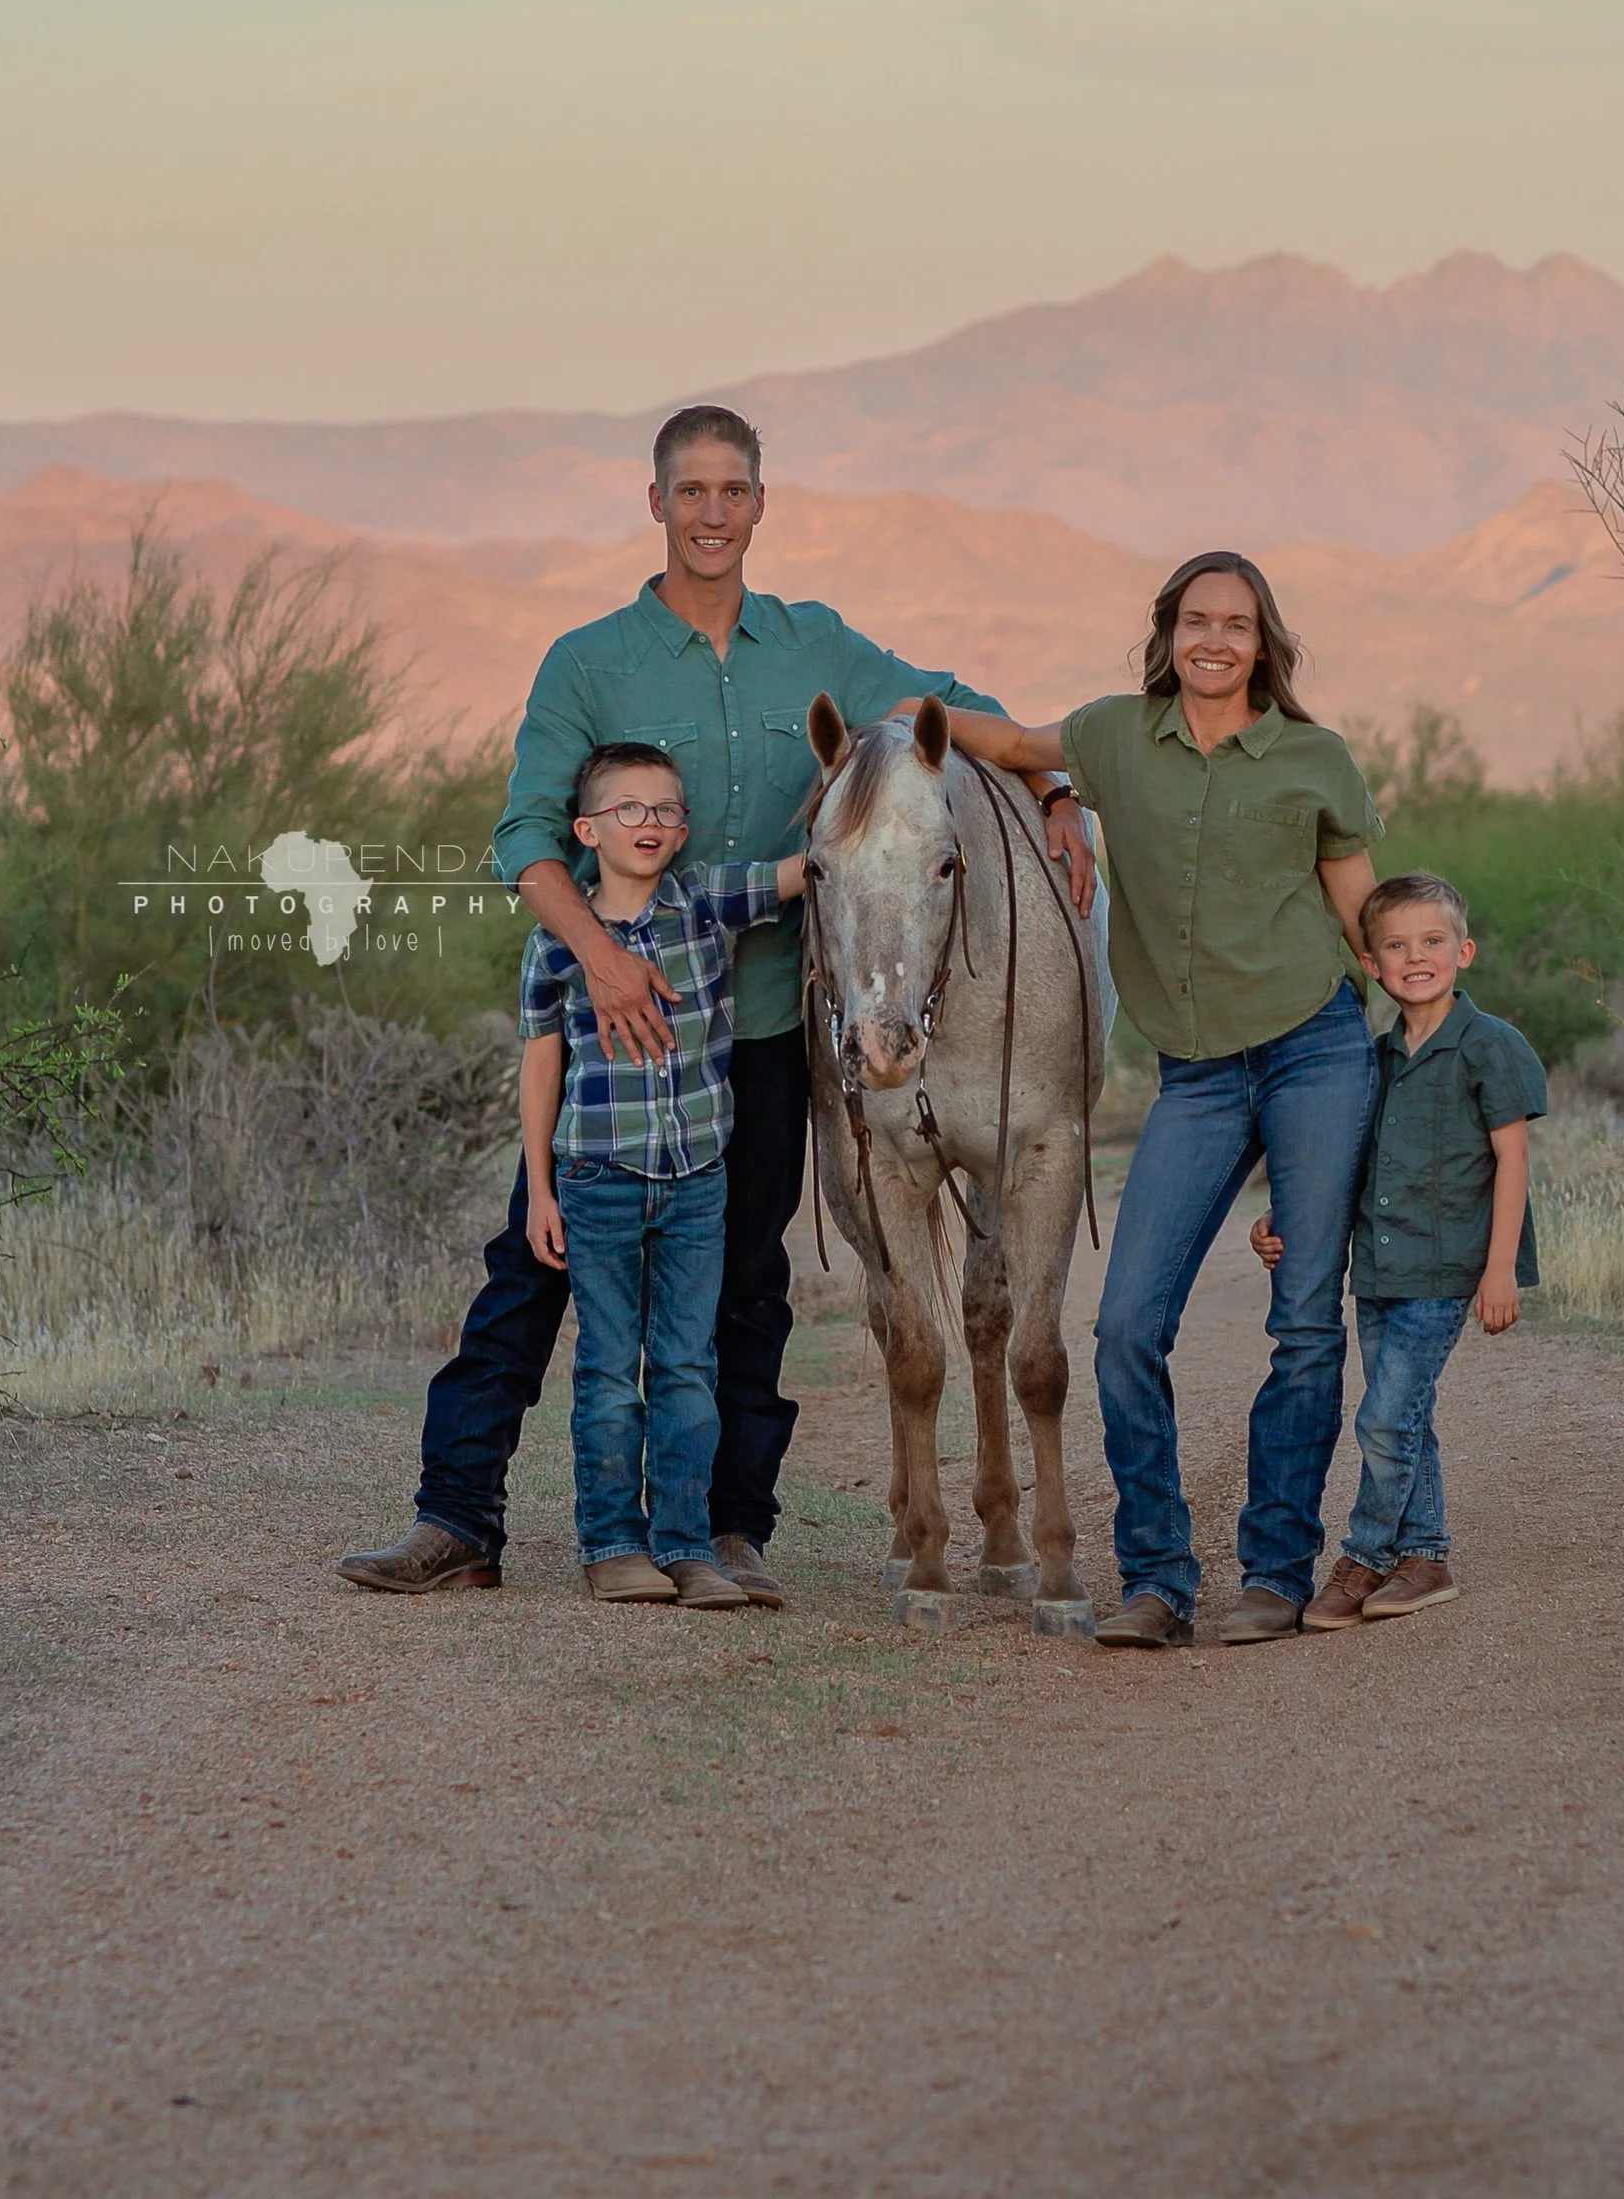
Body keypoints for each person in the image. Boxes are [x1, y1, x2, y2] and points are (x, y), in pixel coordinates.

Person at [340, 402, 1056, 1607]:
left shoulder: (813, 646)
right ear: (655, 501)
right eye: (692, 491)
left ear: (762, 504)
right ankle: (455, 1516)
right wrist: (602, 958)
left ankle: (728, 1527)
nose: (713, 512)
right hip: (610, 1034)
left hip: (765, 1023)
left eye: (735, 491)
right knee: (533, 1259)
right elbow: (525, 834)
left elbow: (945, 708)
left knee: (742, 1281)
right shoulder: (589, 661)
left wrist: (1057, 772)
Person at [941, 552, 1381, 1649]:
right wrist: (899, 711)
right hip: (1194, 1073)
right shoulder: (1111, 737)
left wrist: (1431, 1054)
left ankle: (1274, 1569)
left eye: (1236, 623)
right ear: (1168, 630)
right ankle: (1156, 1577)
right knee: (1126, 1322)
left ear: (1263, 639)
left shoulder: (1315, 759)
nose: (1215, 639)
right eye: (1196, 619)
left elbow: (1367, 926)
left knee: (1303, 1322)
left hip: (1313, 1051)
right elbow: (1000, 741)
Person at [518, 741, 807, 1609]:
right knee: (611, 1365)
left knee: (687, 1363)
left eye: (667, 810)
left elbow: (812, 867)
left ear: (684, 830)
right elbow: (540, 1070)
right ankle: (612, 1543)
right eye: (629, 809)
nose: (651, 823)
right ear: (587, 829)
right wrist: (538, 1189)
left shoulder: (705, 907)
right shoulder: (557, 947)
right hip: (597, 1178)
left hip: (696, 1181)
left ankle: (686, 1545)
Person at [1255, 871, 1546, 1628]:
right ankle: (1426, 1557)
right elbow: (1344, 1162)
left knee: (1384, 1419)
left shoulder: (1490, 1048)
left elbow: (1512, 1162)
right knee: (1406, 1412)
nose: (1415, 957)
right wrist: (1282, 1217)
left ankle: (1364, 1557)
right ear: (1372, 962)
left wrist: (1499, 1270)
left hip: (1447, 1272)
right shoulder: (1373, 1060)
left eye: (1432, 941)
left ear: (1464, 950)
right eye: (1395, 945)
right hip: (1381, 1269)